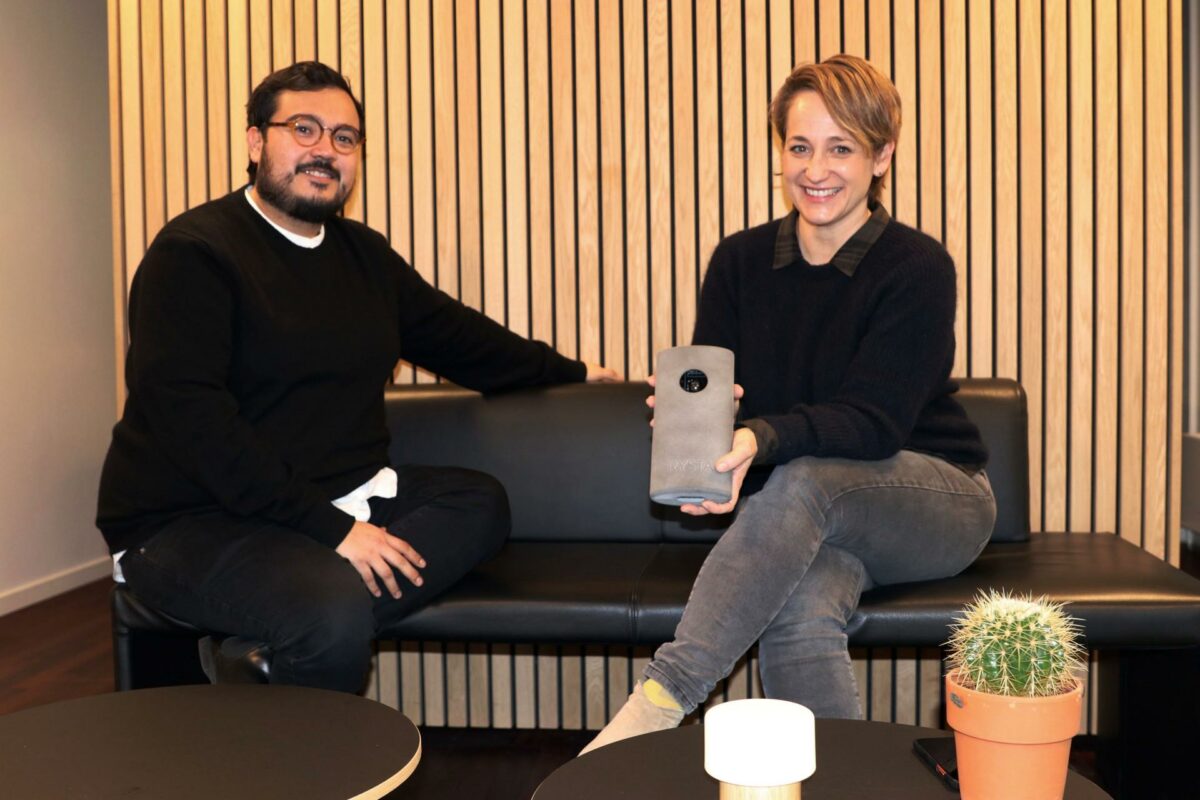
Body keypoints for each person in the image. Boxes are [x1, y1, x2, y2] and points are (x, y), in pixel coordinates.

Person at [97, 61, 616, 693]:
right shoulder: (194, 254)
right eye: (304, 129)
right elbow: (198, 427)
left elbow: (464, 341)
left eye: (344, 138)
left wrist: (580, 373)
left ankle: (268, 638)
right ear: (257, 142)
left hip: (332, 500)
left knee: (478, 503)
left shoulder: (363, 256)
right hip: (189, 521)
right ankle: (308, 650)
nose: (325, 151)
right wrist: (337, 534)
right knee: (330, 612)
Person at [581, 54, 996, 753]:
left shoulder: (917, 268)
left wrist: (759, 440)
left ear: (882, 155)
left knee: (805, 478)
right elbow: (719, 394)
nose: (816, 169)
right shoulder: (740, 262)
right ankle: (837, 784)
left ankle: (662, 699)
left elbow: (873, 423)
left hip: (935, 496)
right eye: (799, 147)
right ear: (780, 151)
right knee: (797, 603)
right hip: (806, 514)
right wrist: (701, 426)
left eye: (841, 148)